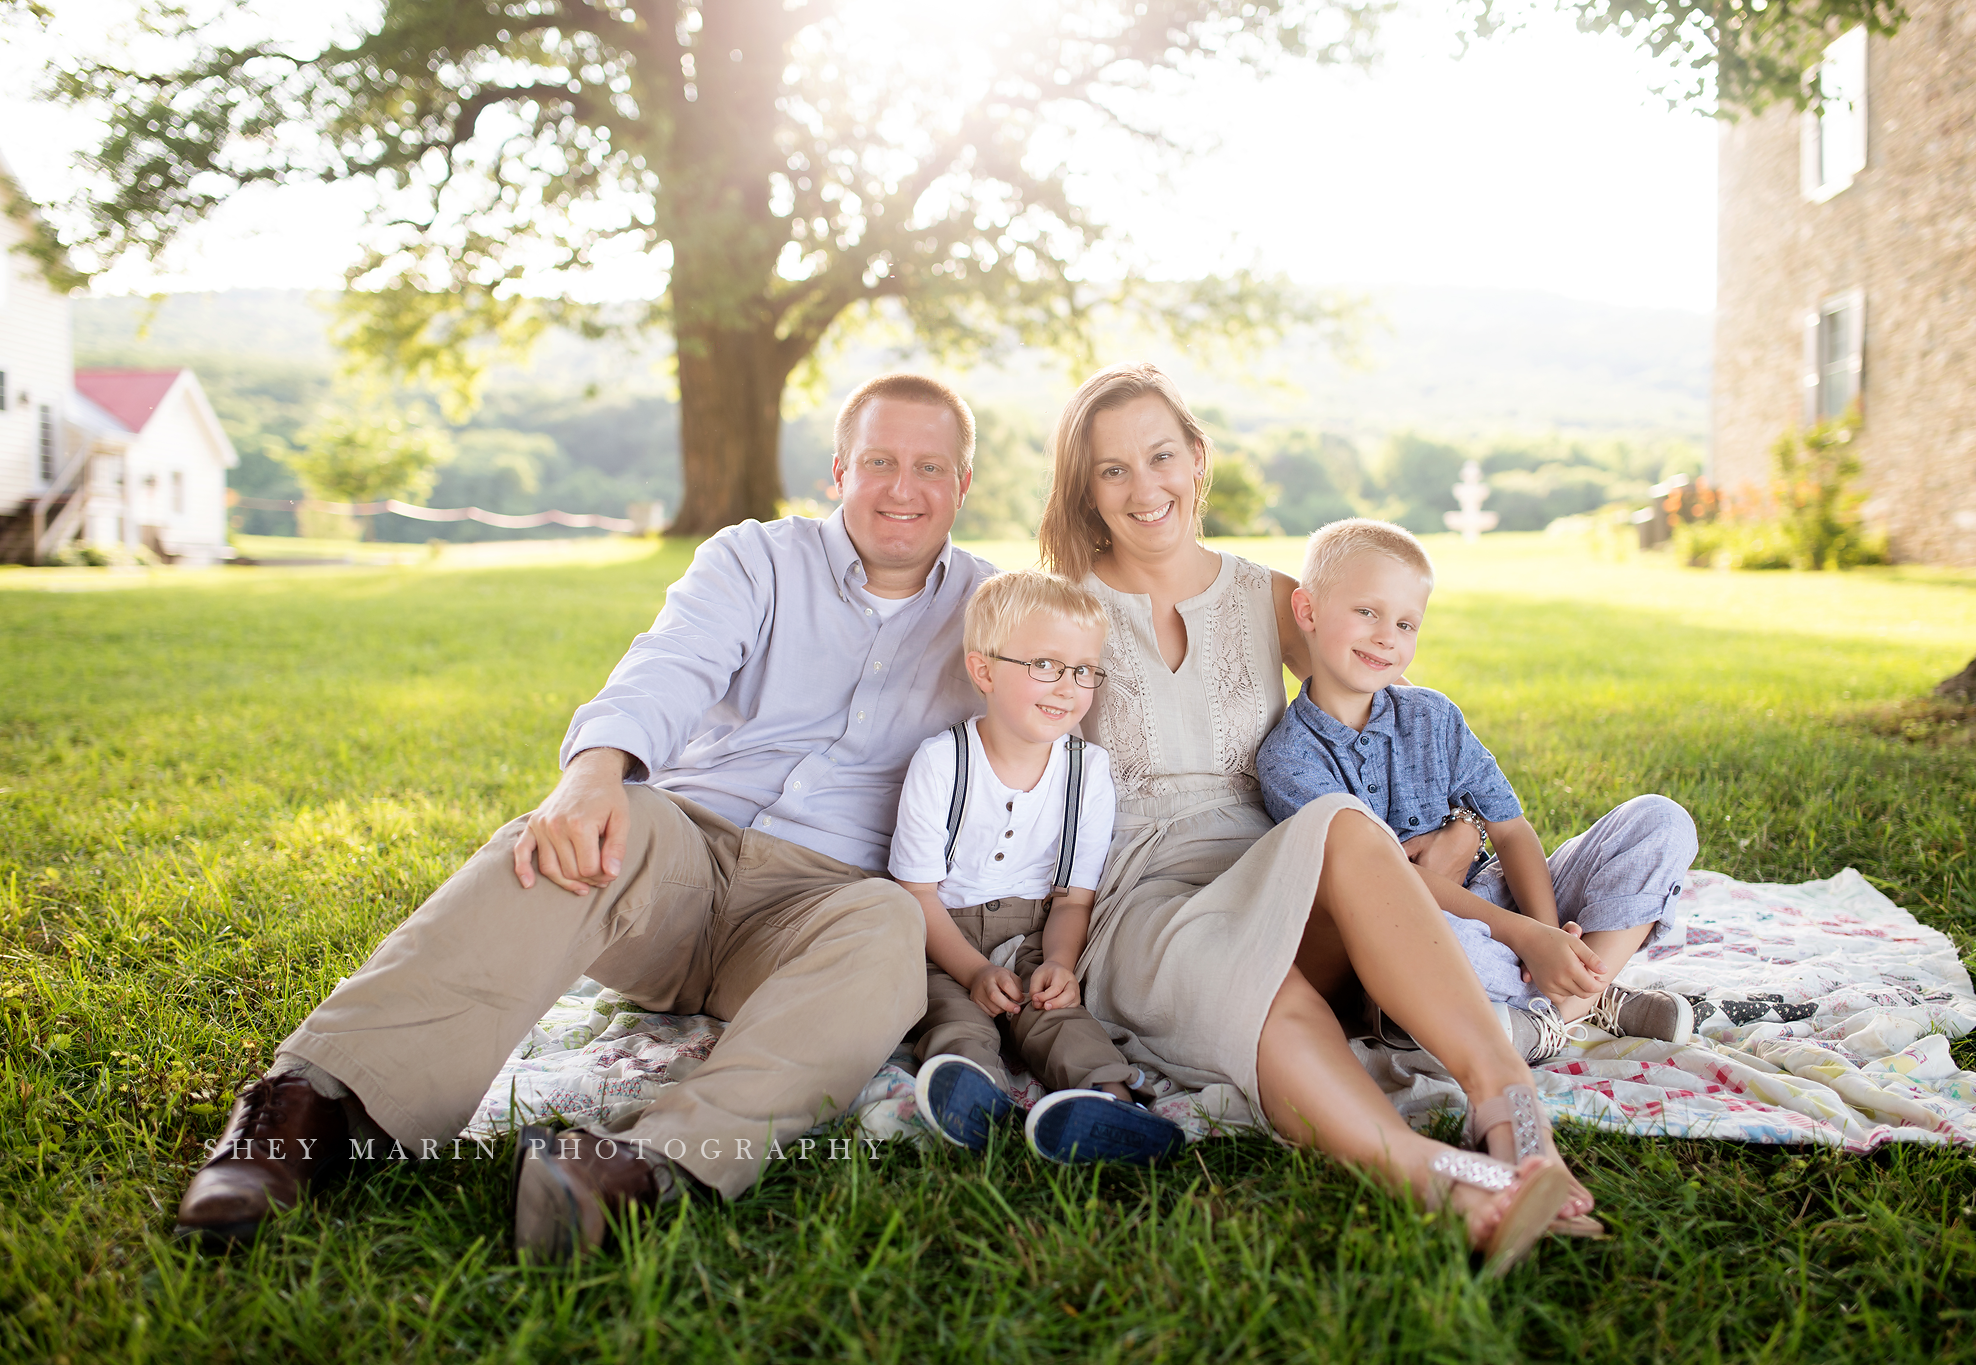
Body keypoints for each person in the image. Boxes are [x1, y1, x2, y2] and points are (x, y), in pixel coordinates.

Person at [174, 373, 996, 1259]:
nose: (902, 489)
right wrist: (596, 772)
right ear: (839, 468)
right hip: (679, 862)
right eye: (879, 460)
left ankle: (640, 1172)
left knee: (886, 924)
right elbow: (670, 665)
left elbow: (1067, 710)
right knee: (591, 827)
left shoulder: (995, 610)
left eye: (929, 466)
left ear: (963, 484)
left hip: (817, 909)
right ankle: (311, 1108)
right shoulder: (755, 558)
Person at [1038, 362, 1605, 1274]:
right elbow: (1008, 752)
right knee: (1269, 996)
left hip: (1280, 867)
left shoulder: (1269, 596)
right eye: (1113, 470)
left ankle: (1510, 1112)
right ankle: (1446, 1180)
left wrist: (1461, 825)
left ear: (1195, 457)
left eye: (1160, 455)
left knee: (1341, 818)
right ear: (1087, 488)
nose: (1146, 488)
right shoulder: (1065, 606)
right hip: (1147, 897)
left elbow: (1392, 709)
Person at [1254, 517, 1698, 1062]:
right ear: (1307, 612)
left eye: (1407, 623)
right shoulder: (1288, 760)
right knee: (1426, 944)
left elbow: (1509, 830)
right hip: (1405, 929)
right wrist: (1524, 938)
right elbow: (1388, 887)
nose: (1386, 636)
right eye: (1366, 611)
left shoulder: (1434, 717)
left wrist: (1542, 931)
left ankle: (1563, 1002)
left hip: (1490, 897)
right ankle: (1581, 999)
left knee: (1660, 819)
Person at [890, 570, 1184, 1163]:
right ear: (985, 672)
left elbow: (1073, 899)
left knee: (1058, 1013)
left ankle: (1110, 1102)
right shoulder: (942, 761)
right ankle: (975, 1098)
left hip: (1035, 931)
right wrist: (974, 971)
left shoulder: (1086, 772)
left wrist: (1057, 962)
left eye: (1083, 671)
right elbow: (917, 894)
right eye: (1045, 665)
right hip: (942, 935)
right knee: (951, 1013)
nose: (1067, 687)